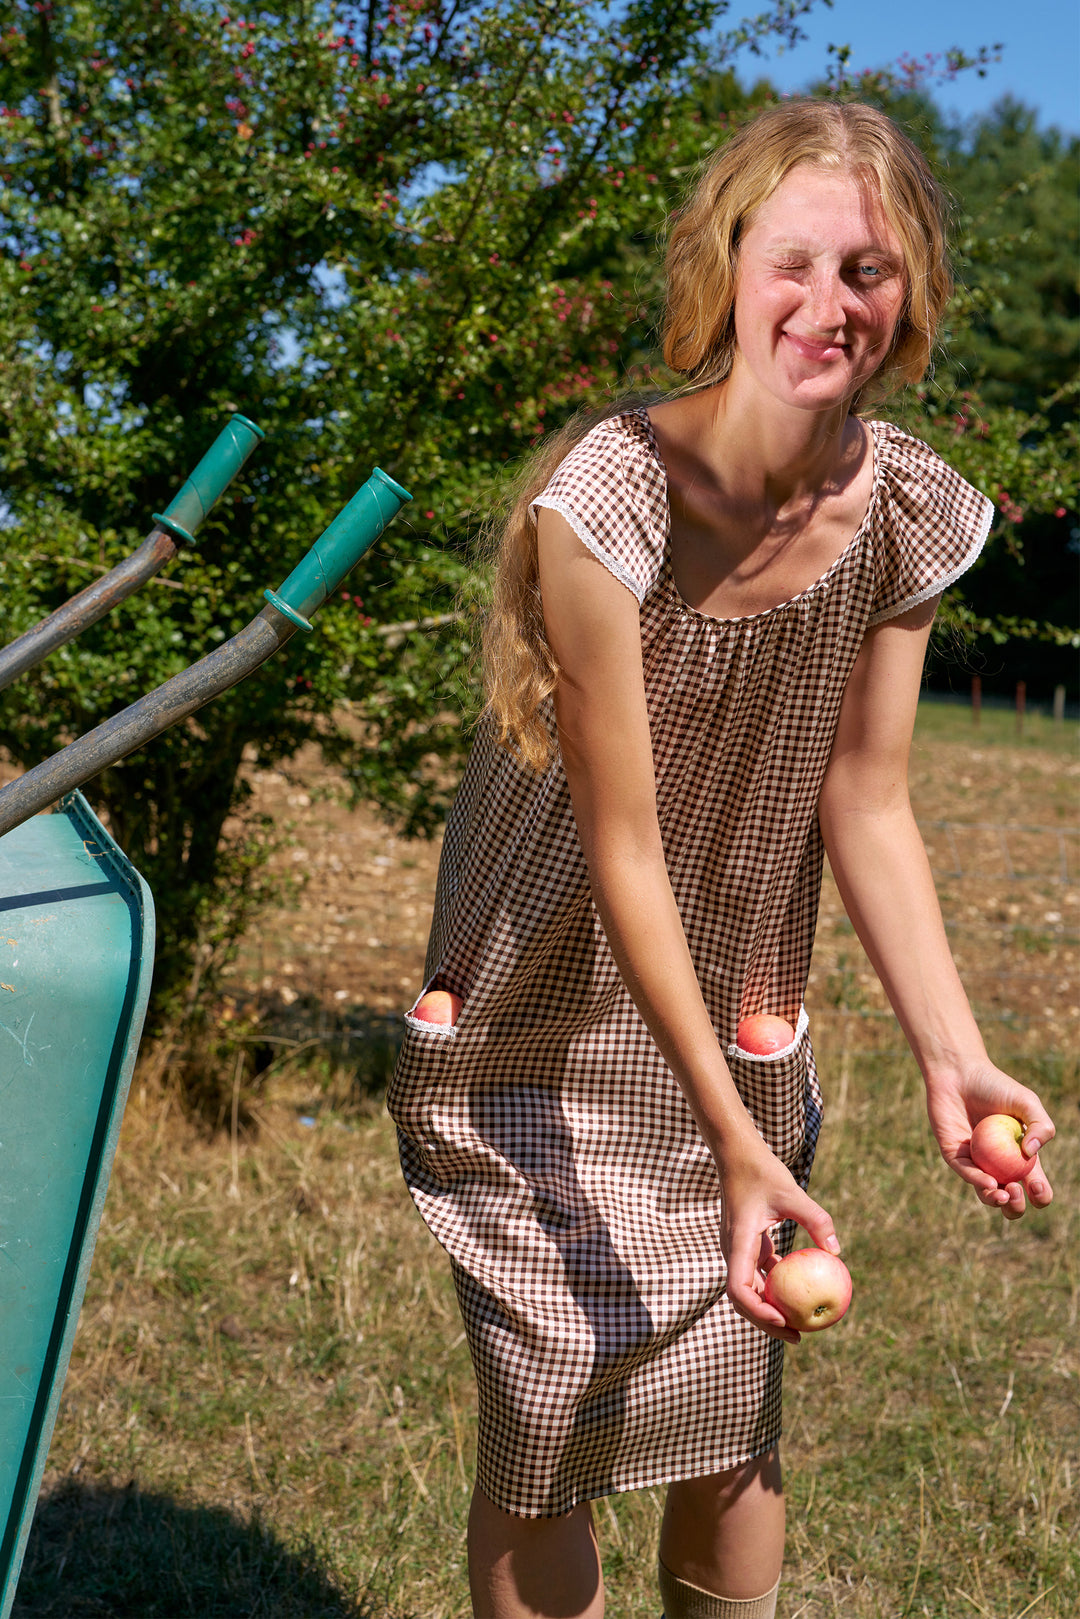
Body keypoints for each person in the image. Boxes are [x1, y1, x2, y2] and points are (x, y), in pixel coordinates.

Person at [387, 99, 1056, 1619]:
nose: (830, 304)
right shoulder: (606, 500)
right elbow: (622, 845)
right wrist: (740, 1144)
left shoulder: (906, 512)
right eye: (794, 261)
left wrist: (953, 1056)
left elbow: (868, 803)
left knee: (727, 1403)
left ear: (912, 296)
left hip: (735, 976)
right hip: (551, 993)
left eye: (869, 271)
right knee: (550, 1403)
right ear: (727, 266)